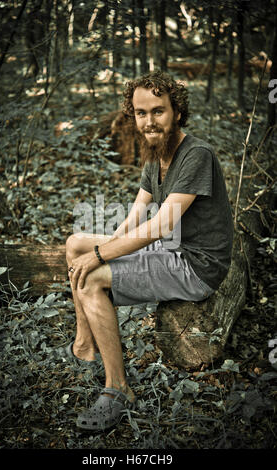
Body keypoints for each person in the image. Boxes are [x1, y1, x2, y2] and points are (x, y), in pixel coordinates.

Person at [65, 70, 234, 431]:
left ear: (176, 111)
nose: (149, 121)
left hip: (196, 266)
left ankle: (117, 389)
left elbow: (159, 226)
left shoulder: (197, 154)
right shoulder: (154, 156)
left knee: (92, 276)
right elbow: (134, 217)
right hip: (173, 251)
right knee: (75, 242)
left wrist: (100, 256)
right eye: (141, 113)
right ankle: (85, 343)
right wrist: (100, 246)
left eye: (158, 111)